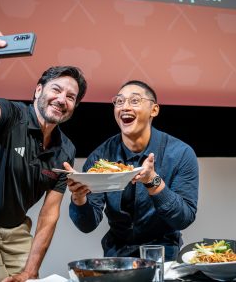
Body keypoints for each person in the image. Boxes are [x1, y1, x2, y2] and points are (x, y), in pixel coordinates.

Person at [0, 28, 87, 282]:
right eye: (56, 89)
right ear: (38, 91)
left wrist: (30, 271)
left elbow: (49, 214)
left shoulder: (66, 149)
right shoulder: (11, 115)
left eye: (71, 97)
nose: (62, 99)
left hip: (17, 232)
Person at [65, 80, 198, 262]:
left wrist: (153, 181)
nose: (125, 107)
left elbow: (184, 218)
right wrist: (79, 199)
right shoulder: (100, 158)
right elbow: (87, 225)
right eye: (119, 102)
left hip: (163, 257)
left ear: (154, 110)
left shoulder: (180, 153)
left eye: (134, 101)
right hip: (117, 258)